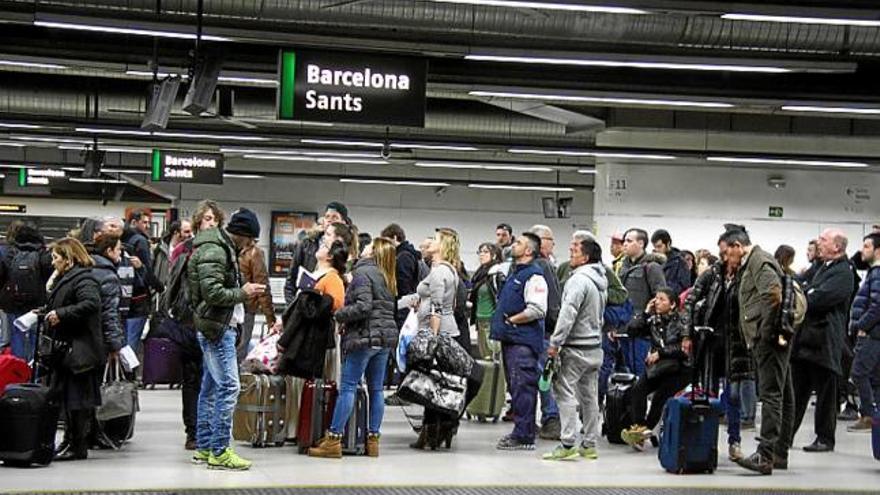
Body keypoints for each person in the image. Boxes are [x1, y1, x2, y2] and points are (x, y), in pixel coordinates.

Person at [187, 206, 266, 471]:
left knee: (210, 388)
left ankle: (205, 447)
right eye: (251, 239)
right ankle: (220, 450)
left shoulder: (218, 248)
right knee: (229, 387)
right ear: (242, 235)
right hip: (217, 328)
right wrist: (243, 292)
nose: (251, 245)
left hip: (215, 325)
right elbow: (213, 293)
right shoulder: (217, 251)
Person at [308, 238, 399, 459]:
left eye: (368, 246)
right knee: (376, 389)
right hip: (385, 339)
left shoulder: (362, 273)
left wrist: (338, 315)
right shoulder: (388, 276)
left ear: (372, 253)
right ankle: (373, 440)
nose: (364, 248)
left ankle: (334, 439)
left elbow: (364, 306)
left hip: (363, 338)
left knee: (348, 387)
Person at [723, 227, 793, 475]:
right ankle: (779, 452)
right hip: (773, 338)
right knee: (784, 393)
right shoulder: (755, 260)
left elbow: (772, 296)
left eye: (726, 253)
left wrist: (764, 335)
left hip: (770, 340)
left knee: (772, 394)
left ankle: (765, 455)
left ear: (736, 247)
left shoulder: (759, 261)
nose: (726, 259)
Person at [400, 227, 475, 450]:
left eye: (435, 240)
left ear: (442, 246)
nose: (429, 243)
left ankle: (432, 432)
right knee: (440, 383)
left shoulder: (440, 271)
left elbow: (437, 306)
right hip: (447, 330)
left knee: (432, 383)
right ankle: (439, 429)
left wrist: (432, 338)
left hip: (438, 332)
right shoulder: (448, 270)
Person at [682, 233, 755, 461]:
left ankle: (734, 442)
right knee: (708, 394)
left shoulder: (748, 274)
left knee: (733, 395)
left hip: (737, 344)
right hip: (711, 342)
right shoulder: (714, 273)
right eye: (723, 252)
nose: (726, 257)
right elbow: (690, 300)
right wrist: (688, 333)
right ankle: (708, 443)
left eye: (728, 251)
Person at [790, 229, 855, 453]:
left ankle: (825, 438)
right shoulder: (821, 267)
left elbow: (818, 299)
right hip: (806, 340)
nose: (819, 242)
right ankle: (784, 436)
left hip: (825, 342)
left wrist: (807, 292)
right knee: (796, 392)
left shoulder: (844, 273)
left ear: (837, 247)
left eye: (824, 240)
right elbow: (801, 286)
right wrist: (807, 290)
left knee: (826, 394)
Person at [543, 237, 606, 461]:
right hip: (595, 348)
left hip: (576, 348)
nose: (570, 250)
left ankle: (567, 442)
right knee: (590, 397)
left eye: (575, 249)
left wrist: (555, 342)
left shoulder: (579, 280)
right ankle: (589, 444)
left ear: (586, 257)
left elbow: (568, 313)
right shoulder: (600, 280)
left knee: (563, 392)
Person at [43, 237, 104, 461]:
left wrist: (62, 314)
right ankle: (70, 441)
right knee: (70, 398)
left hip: (80, 350)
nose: (53, 262)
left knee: (77, 400)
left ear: (68, 259)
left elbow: (91, 304)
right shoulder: (68, 278)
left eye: (56, 257)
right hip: (71, 348)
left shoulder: (83, 279)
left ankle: (77, 444)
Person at [490, 232, 548, 451]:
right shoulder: (516, 272)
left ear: (529, 251)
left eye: (519, 243)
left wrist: (512, 321)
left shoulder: (534, 276)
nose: (513, 245)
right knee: (516, 388)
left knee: (523, 387)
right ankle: (521, 430)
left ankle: (524, 436)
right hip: (512, 339)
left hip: (522, 342)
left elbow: (537, 309)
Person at [620, 288, 691, 451]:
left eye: (662, 299)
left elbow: (684, 349)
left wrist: (660, 353)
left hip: (678, 368)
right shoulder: (653, 321)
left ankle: (643, 431)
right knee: (638, 389)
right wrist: (645, 313)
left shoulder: (683, 321)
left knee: (660, 397)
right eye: (656, 299)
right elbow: (632, 330)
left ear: (672, 304)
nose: (657, 302)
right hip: (658, 368)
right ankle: (639, 428)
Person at [0, 223, 53, 360]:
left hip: (13, 305)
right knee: (36, 338)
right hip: (37, 305)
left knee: (17, 335)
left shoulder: (9, 253)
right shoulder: (44, 254)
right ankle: (33, 369)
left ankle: (18, 370)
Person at [529, 224, 562, 440]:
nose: (553, 244)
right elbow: (553, 301)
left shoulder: (532, 265)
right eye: (551, 239)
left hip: (536, 330)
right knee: (545, 375)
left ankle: (550, 418)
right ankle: (551, 418)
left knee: (543, 376)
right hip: (544, 330)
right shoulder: (544, 265)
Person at [620, 228, 666, 378]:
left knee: (642, 372)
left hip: (643, 331)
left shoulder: (652, 267)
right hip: (624, 328)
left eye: (629, 241)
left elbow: (660, 297)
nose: (624, 244)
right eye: (624, 241)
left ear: (641, 243)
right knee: (627, 373)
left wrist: (645, 317)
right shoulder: (623, 267)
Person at [283, 202, 351, 304]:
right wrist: (292, 308)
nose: (329, 220)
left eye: (334, 217)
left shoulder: (349, 249)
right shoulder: (307, 244)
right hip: (303, 302)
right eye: (327, 216)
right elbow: (291, 279)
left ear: (343, 222)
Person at [233, 209, 278, 362]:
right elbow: (262, 286)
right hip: (242, 307)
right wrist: (270, 318)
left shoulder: (252, 253)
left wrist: (270, 318)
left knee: (236, 349)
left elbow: (261, 286)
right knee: (239, 349)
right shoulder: (249, 252)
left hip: (243, 307)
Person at [847, 232, 880, 432]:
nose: (862, 250)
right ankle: (874, 418)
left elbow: (877, 305)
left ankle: (868, 415)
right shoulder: (872, 272)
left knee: (859, 373)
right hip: (873, 333)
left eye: (867, 246)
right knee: (875, 379)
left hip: (871, 334)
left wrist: (862, 325)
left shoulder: (877, 273)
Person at [121, 209, 162, 355]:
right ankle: (129, 373)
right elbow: (147, 271)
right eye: (144, 222)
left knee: (123, 340)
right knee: (132, 342)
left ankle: (121, 373)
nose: (148, 226)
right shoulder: (141, 241)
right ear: (133, 222)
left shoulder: (120, 241)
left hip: (123, 297)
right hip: (139, 298)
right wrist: (160, 286)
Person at [469, 243, 504, 359]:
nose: (481, 255)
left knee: (493, 355)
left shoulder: (495, 273)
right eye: (480, 252)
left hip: (491, 319)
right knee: (483, 354)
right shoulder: (479, 274)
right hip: (479, 318)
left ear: (494, 255)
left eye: (485, 252)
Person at [650, 229, 691, 296]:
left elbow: (684, 287)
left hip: (670, 300)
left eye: (659, 246)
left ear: (668, 243)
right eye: (655, 247)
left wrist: (665, 288)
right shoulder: (652, 261)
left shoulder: (680, 262)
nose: (657, 250)